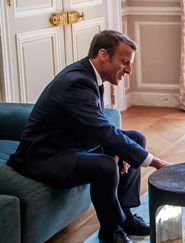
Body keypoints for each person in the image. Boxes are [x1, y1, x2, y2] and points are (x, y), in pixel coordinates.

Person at [7, 30, 170, 243]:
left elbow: (94, 126)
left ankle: (126, 217)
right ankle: (111, 230)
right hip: (45, 157)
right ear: (103, 55)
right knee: (105, 166)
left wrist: (117, 149)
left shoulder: (88, 74)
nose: (129, 70)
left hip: (73, 143)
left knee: (135, 139)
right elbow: (101, 130)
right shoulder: (76, 82)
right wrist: (156, 162)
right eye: (124, 62)